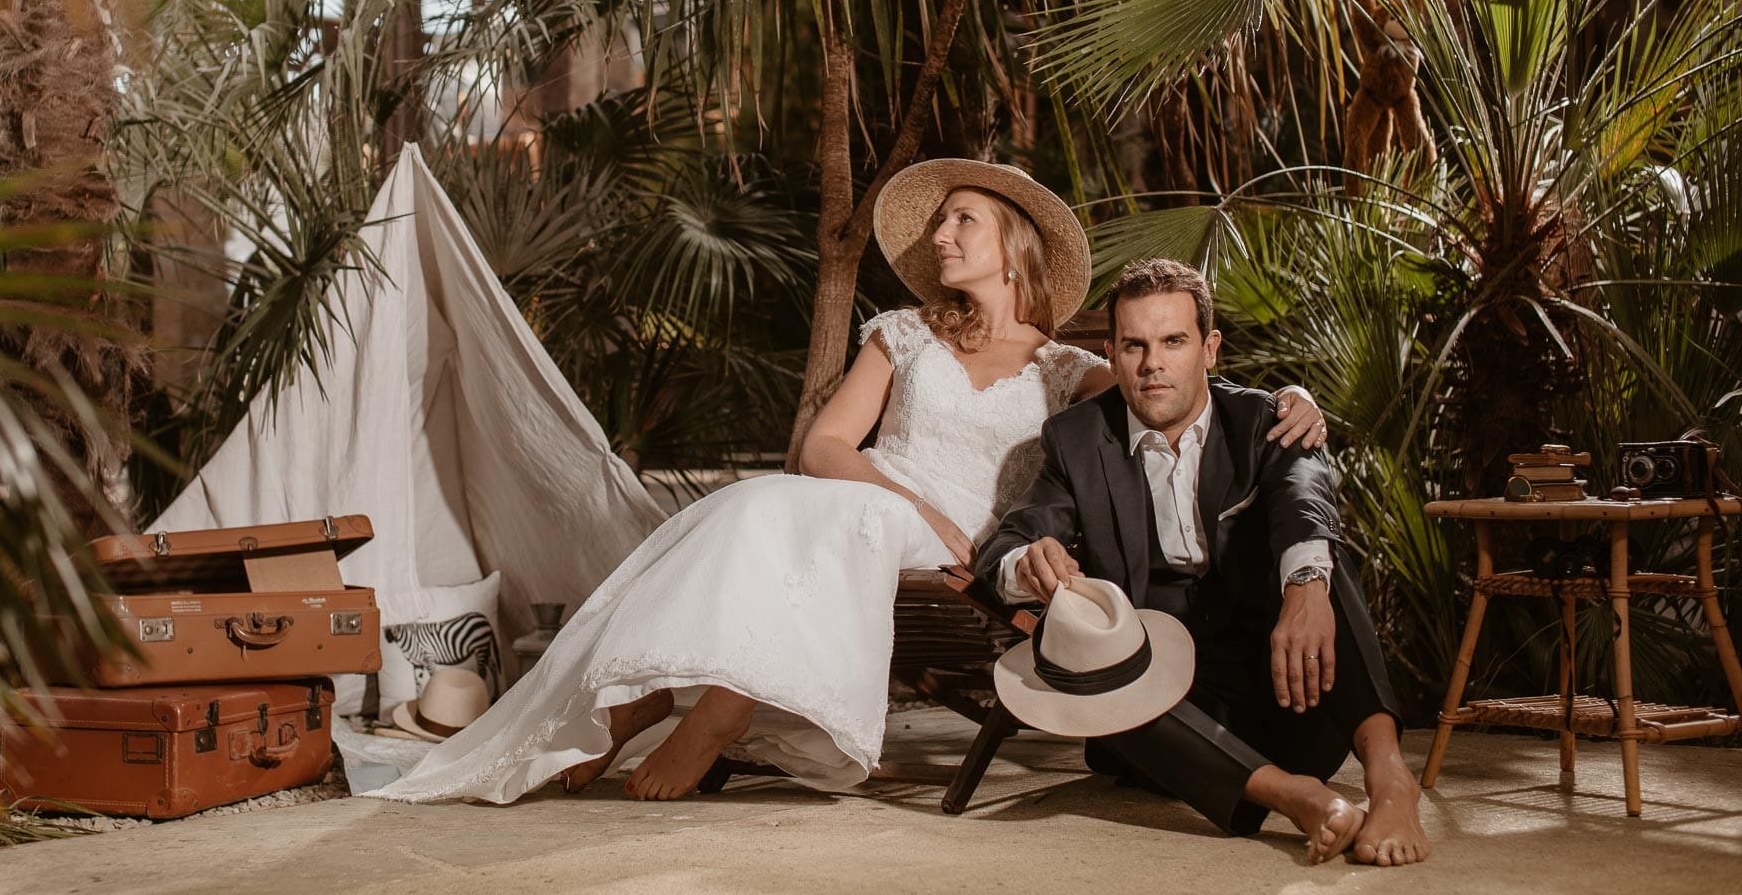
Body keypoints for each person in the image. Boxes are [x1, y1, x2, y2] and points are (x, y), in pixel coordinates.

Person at [376, 161, 1328, 805]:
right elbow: (825, 446)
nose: (944, 236)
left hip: (969, 537)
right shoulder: (903, 333)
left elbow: (1178, 388)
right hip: (885, 505)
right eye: (945, 221)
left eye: (964, 221)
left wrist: (1291, 391)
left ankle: (706, 707)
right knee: (752, 502)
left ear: (1012, 244)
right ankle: (661, 700)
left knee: (840, 525)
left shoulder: (1063, 371)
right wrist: (902, 499)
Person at [975, 257, 1430, 866]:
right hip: (1166, 713)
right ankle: (1289, 796)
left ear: (1209, 349)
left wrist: (1303, 588)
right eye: (1134, 345)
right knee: (1088, 664)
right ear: (1111, 354)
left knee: (1317, 557)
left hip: (1288, 683)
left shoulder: (1264, 420)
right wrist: (1029, 561)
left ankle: (1391, 777)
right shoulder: (1077, 440)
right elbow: (1005, 546)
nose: (1152, 363)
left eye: (1173, 341)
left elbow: (1303, 494)